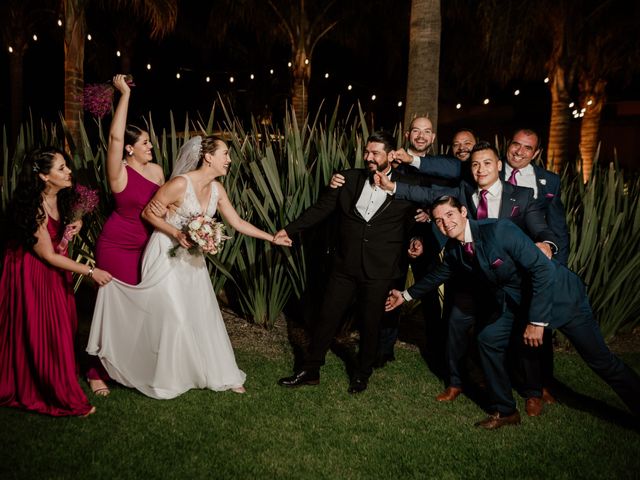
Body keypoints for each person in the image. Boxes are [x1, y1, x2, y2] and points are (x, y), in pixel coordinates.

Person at [386, 196, 640, 429]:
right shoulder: (455, 249)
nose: (446, 223)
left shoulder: (499, 230)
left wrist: (537, 321)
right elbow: (440, 274)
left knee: (601, 361)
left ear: (463, 212)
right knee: (487, 339)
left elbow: (543, 271)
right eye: (439, 220)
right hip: (518, 302)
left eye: (450, 215)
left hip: (562, 299)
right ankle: (506, 410)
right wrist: (405, 295)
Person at [87, 135, 291, 399]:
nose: (229, 160)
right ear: (208, 157)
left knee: (200, 312)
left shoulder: (218, 190)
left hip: (192, 259)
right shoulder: (179, 184)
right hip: (165, 252)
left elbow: (237, 222)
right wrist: (177, 233)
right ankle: (163, 376)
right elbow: (148, 213)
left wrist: (271, 237)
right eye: (225, 154)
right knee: (173, 315)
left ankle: (219, 373)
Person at [378, 142, 558, 414]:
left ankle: (532, 390)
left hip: (507, 280)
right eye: (475, 164)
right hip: (469, 276)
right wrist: (394, 188)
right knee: (455, 326)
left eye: (486, 163)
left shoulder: (522, 196)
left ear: (499, 166)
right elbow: (429, 194)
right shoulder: (464, 192)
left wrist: (546, 243)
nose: (480, 169)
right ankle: (455, 382)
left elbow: (541, 228)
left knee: (523, 332)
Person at [276, 132, 417, 394]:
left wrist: (419, 237)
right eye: (366, 152)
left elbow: (418, 217)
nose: (369, 157)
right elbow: (321, 209)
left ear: (390, 155)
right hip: (345, 265)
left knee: (370, 322)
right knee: (326, 317)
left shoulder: (406, 188)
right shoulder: (348, 178)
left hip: (379, 268)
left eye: (375, 153)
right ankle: (311, 369)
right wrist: (290, 230)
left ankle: (362, 374)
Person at [0, 147, 112, 417]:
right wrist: (89, 271)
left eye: (66, 166)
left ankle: (57, 376)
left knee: (63, 326)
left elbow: (69, 224)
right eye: (61, 168)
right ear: (43, 176)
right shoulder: (35, 207)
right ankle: (54, 392)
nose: (68, 171)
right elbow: (48, 255)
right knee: (44, 330)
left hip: (54, 271)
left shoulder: (62, 198)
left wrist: (78, 224)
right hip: (31, 273)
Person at [87, 74, 165, 396]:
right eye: (145, 142)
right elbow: (115, 138)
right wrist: (124, 96)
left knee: (139, 310)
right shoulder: (119, 171)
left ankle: (127, 366)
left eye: (149, 142)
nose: (151, 146)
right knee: (111, 309)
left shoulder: (158, 171)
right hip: (116, 247)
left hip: (146, 249)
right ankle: (95, 371)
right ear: (130, 149)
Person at [502, 128, 569, 407]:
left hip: (538, 264)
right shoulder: (490, 169)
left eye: (527, 148)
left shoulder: (549, 181)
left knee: (539, 325)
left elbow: (557, 226)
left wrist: (558, 264)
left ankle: (540, 386)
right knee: (503, 323)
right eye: (515, 144)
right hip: (502, 262)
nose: (519, 151)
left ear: (536, 153)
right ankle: (506, 378)